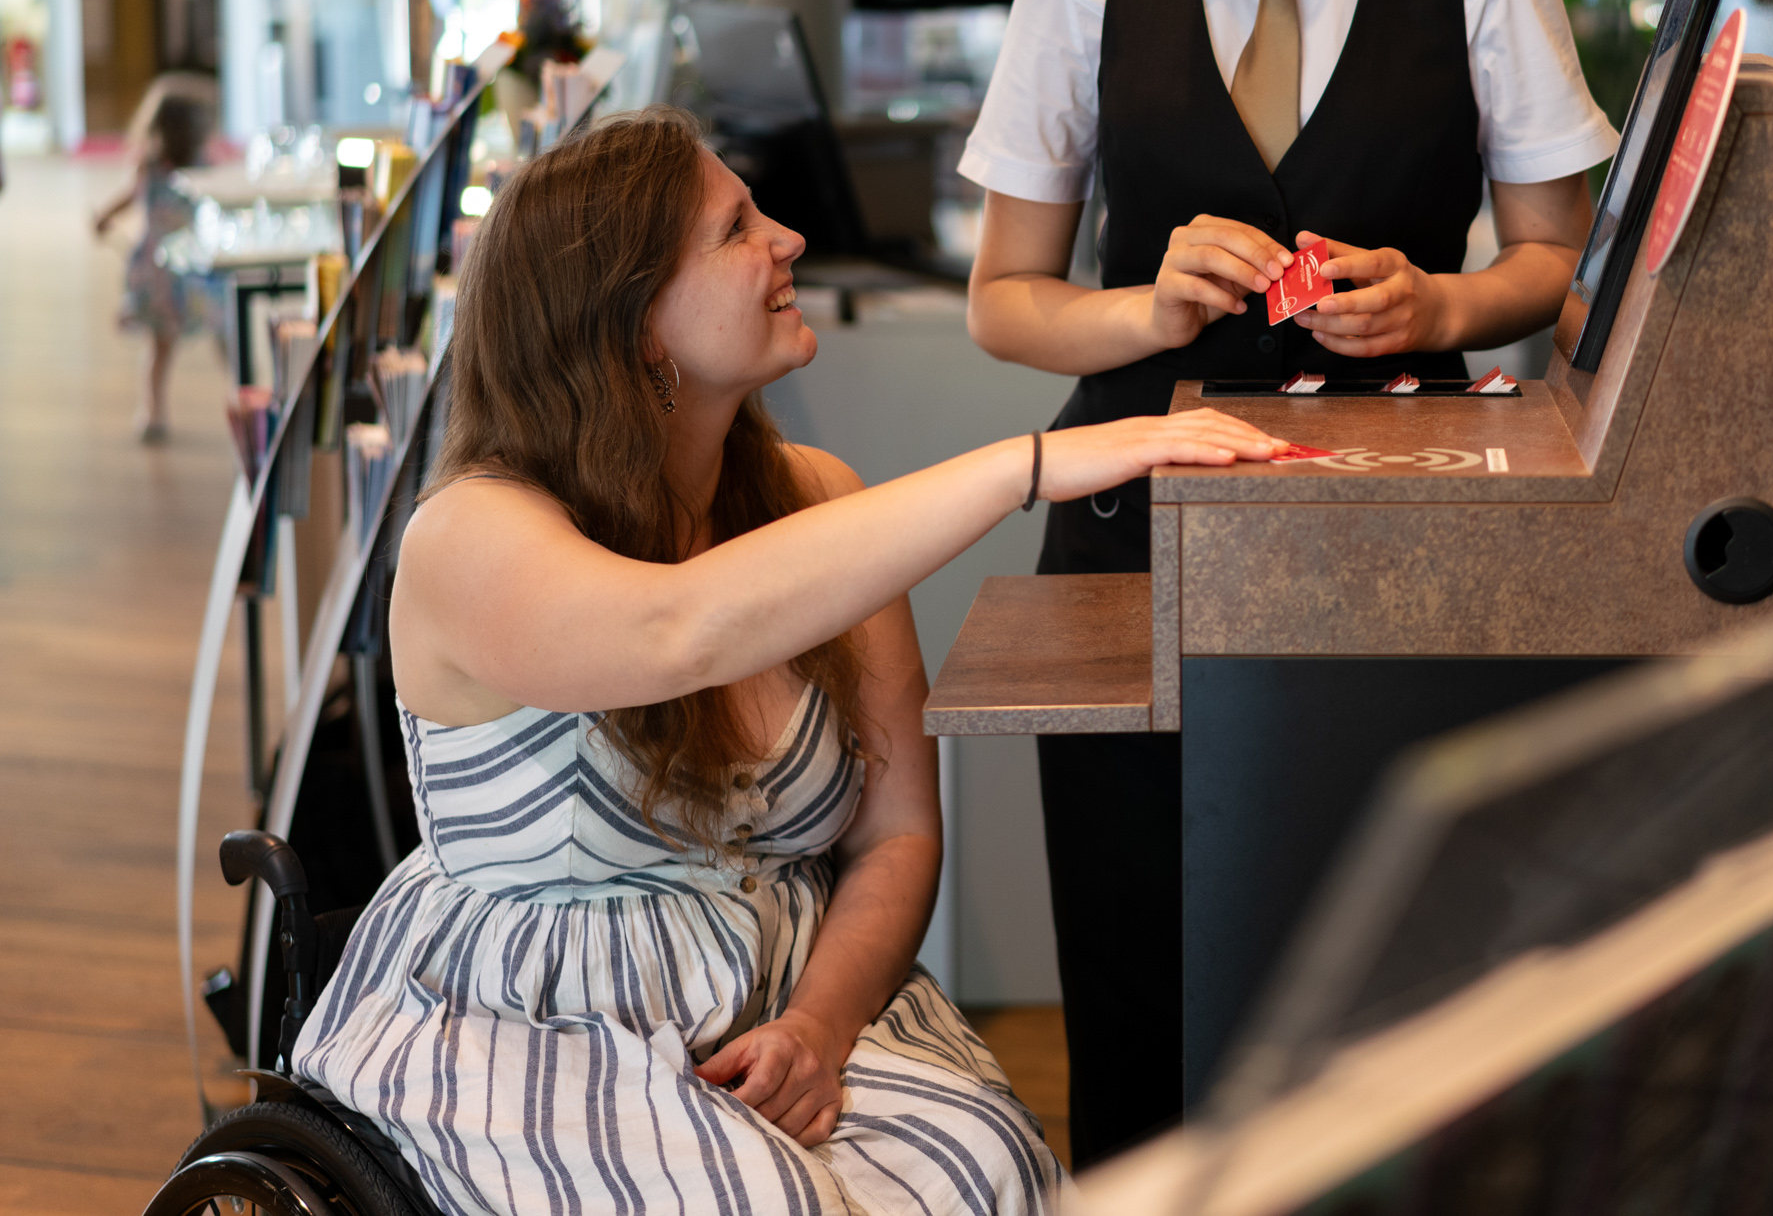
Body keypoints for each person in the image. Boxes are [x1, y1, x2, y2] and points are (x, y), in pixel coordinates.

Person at [291, 107, 1285, 1216]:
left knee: (990, 1172)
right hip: (541, 1027)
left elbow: (899, 836)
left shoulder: (814, 497)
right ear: (631, 321)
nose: (790, 240)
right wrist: (1028, 464)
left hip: (788, 1000)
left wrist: (817, 1025)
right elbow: (675, 630)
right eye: (736, 229)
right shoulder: (471, 534)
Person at [956, 0, 1618, 1165]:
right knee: (1141, 1010)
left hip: (1398, 548)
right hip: (1133, 548)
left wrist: (1441, 307)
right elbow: (1007, 298)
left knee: (1381, 1010)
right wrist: (1152, 311)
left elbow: (1562, 264)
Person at [91, 72, 222, 442]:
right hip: (193, 271)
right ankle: (239, 391)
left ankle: (153, 412)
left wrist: (103, 217)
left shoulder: (149, 168)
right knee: (221, 333)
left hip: (158, 273)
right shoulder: (201, 168)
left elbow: (124, 197)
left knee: (160, 348)